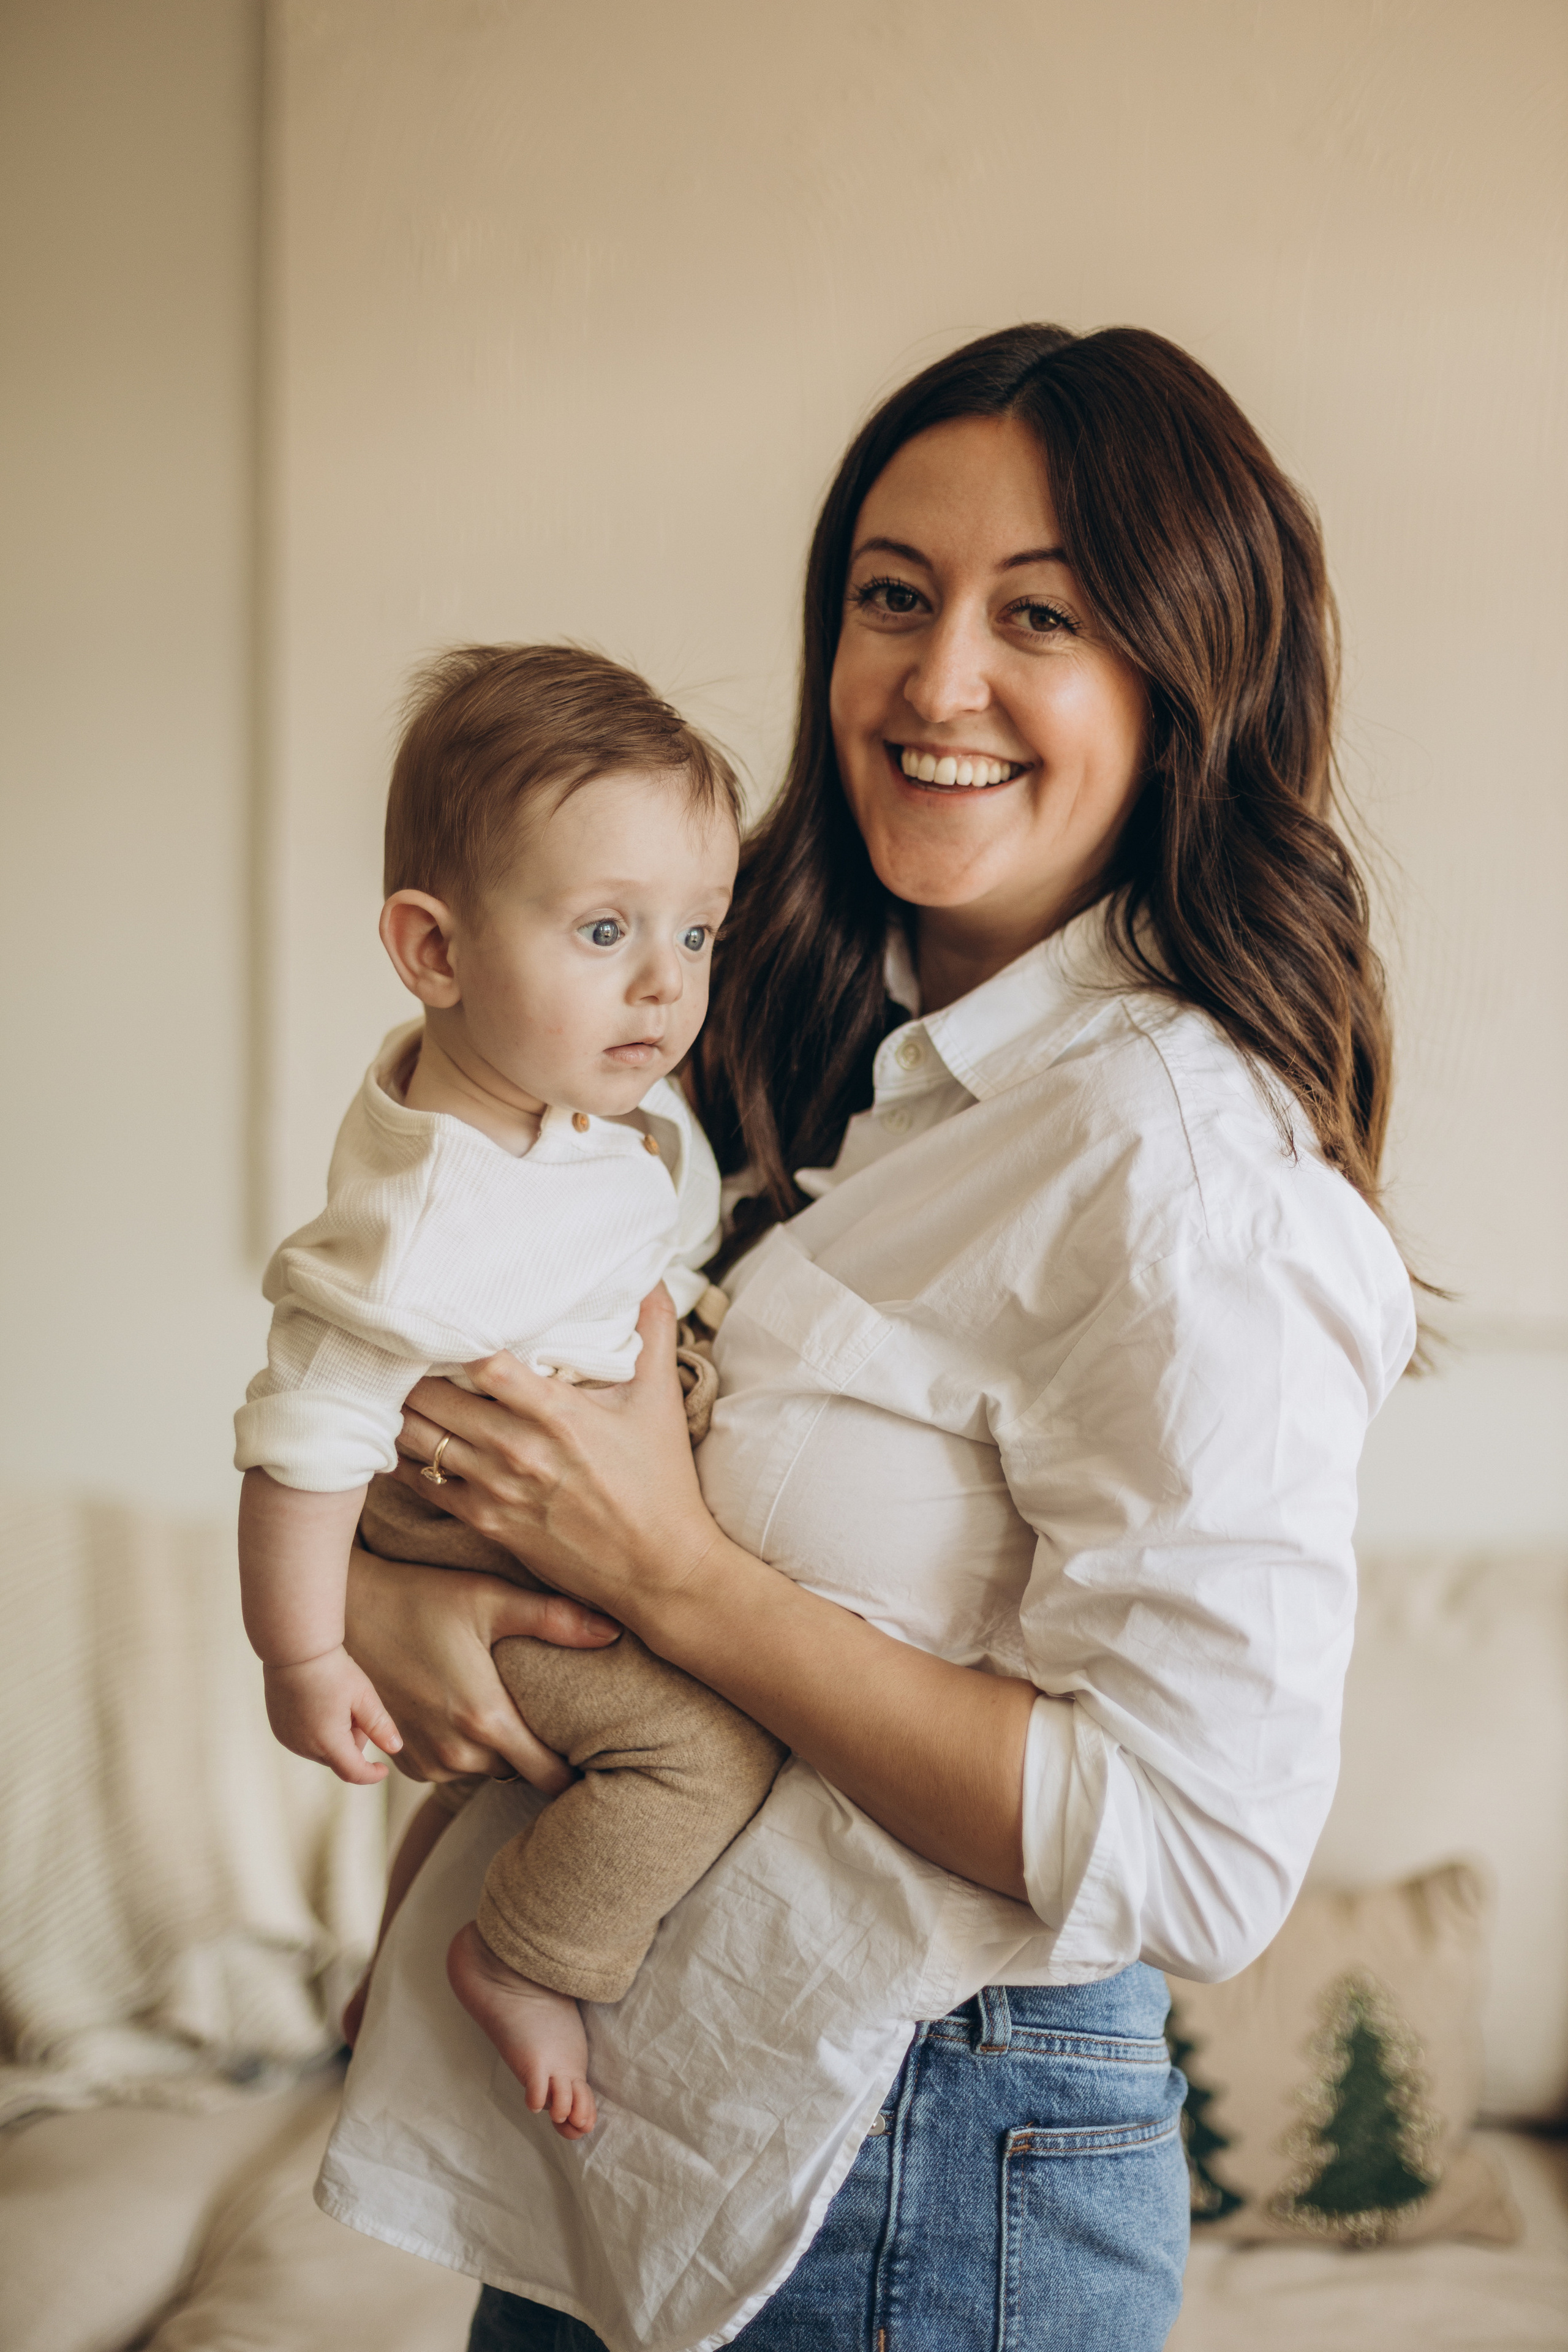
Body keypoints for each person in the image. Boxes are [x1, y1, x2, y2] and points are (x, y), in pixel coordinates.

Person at [317, 325, 1418, 2352]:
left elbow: (1195, 1855)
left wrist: (672, 1576)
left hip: (918, 2175)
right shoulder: (841, 1065)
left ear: (1189, 680)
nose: (936, 681)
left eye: (1044, 617)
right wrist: (402, 1603)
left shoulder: (1183, 1167)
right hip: (660, 2141)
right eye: (892, 598)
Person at [235, 644, 783, 2141]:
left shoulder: (561, 1085)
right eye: (605, 929)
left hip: (537, 1502)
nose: (667, 984)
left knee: (485, 1793)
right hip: (470, 1546)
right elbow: (303, 1433)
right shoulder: (425, 1223)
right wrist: (304, 1657)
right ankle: (523, 1956)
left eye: (695, 932)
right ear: (435, 950)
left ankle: (392, 1965)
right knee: (700, 1754)